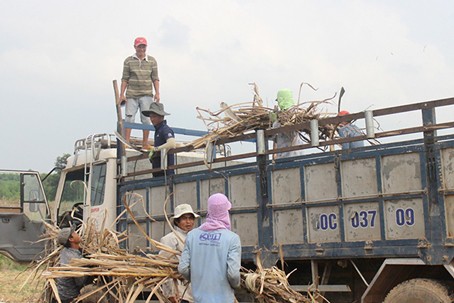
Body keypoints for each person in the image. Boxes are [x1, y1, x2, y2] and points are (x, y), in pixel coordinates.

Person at [178, 193, 241, 303]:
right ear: (225, 212)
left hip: (198, 299)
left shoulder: (192, 235)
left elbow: (183, 268)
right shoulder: (232, 238)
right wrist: (237, 285)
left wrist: (197, 279)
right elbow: (233, 274)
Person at [120, 36, 160, 149]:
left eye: (143, 46)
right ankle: (126, 142)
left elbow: (155, 78)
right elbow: (125, 79)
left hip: (147, 93)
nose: (141, 49)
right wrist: (121, 95)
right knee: (129, 118)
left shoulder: (152, 61)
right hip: (132, 94)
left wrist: (157, 93)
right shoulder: (128, 61)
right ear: (135, 47)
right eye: (139, 46)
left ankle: (145, 143)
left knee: (146, 119)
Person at [159, 204, 199, 303]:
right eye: (184, 219)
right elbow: (164, 267)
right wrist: (170, 293)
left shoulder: (197, 237)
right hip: (181, 293)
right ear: (177, 221)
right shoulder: (170, 239)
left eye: (191, 218)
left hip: (197, 292)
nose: (188, 222)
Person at [142, 102, 176, 177]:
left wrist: (155, 149)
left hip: (166, 174)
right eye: (151, 117)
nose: (152, 119)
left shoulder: (165, 129)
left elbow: (172, 143)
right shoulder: (158, 130)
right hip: (158, 172)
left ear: (161, 117)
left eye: (154, 116)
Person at [56, 226, 86, 303]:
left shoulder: (65, 251)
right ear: (71, 239)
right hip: (70, 297)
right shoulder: (74, 259)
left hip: (62, 294)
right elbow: (80, 282)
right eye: (74, 233)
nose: (77, 233)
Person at [272, 89, 305, 159]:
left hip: (286, 156)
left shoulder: (284, 118)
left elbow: (274, 136)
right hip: (299, 155)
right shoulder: (297, 114)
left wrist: (273, 122)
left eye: (278, 101)